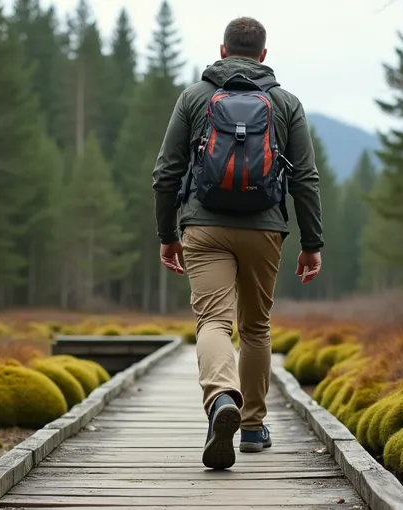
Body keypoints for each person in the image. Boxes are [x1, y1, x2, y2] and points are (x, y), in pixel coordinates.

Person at [151, 16, 323, 470]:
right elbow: (305, 177)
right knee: (255, 327)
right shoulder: (285, 102)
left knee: (213, 320)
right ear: (263, 56)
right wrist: (312, 242)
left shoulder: (195, 96)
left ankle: (221, 398)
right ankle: (251, 427)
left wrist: (168, 235)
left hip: (203, 226)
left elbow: (166, 173)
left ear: (223, 51)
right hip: (265, 227)